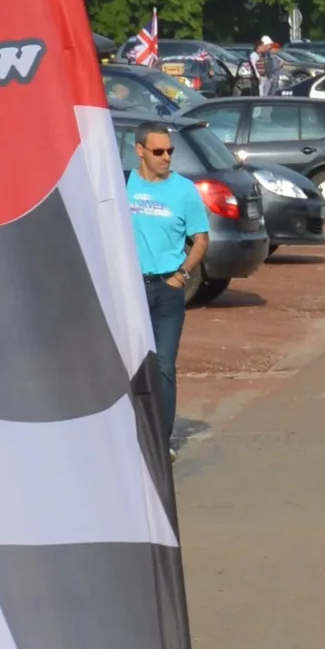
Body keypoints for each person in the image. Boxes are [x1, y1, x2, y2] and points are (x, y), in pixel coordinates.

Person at [127, 123, 209, 434]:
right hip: (131, 290)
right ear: (140, 150)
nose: (165, 158)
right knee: (131, 366)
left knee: (163, 365)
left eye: (169, 151)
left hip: (168, 291)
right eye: (158, 151)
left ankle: (162, 440)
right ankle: (133, 434)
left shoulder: (184, 190)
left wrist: (182, 275)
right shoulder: (122, 184)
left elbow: (201, 240)